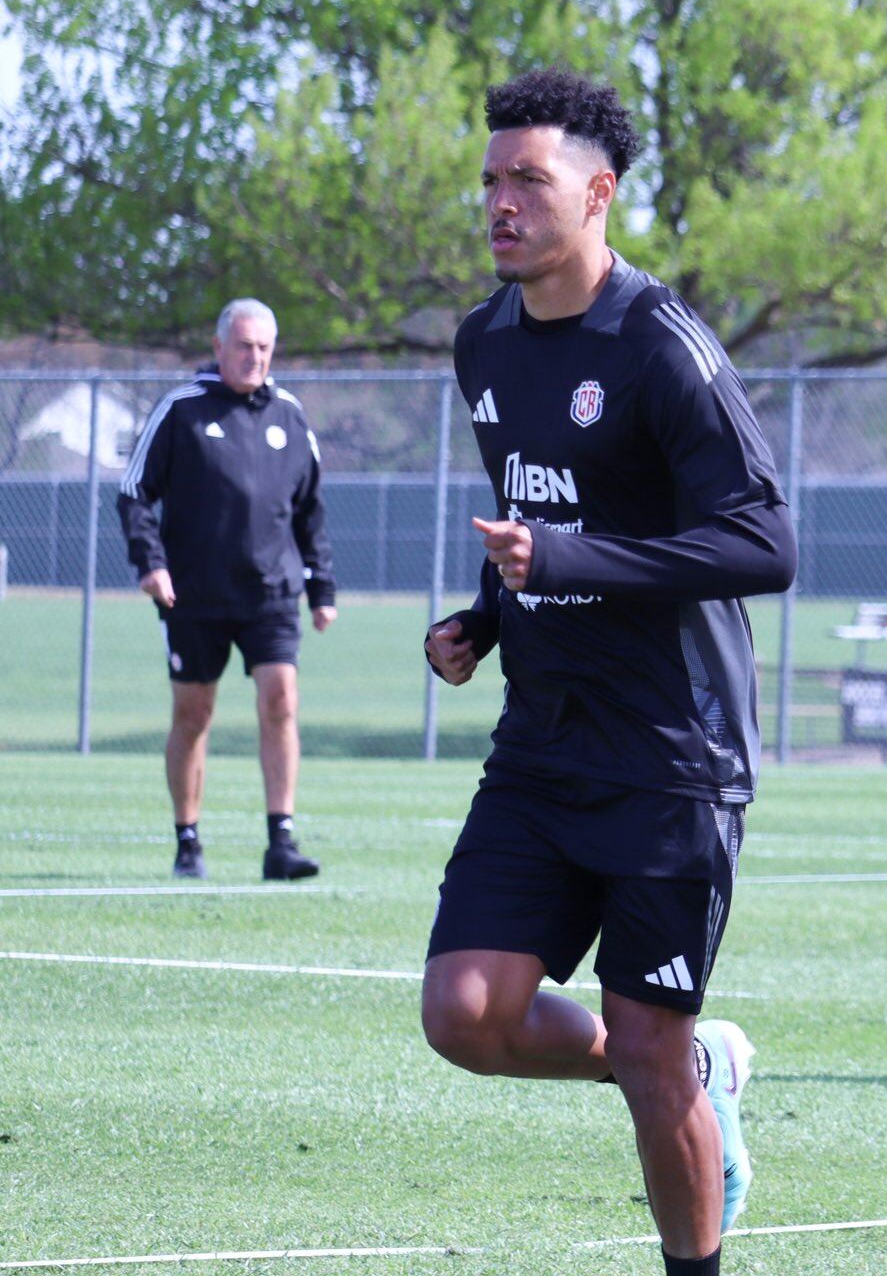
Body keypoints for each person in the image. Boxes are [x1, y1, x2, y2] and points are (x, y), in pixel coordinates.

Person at [418, 67, 796, 1276]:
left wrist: (570, 555)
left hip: (670, 758)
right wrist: (480, 617)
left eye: (526, 179)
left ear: (599, 194)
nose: (499, 203)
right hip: (543, 742)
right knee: (463, 1015)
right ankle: (692, 1059)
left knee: (642, 1048)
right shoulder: (482, 342)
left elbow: (766, 542)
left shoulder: (660, 345)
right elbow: (537, 515)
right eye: (489, 180)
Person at [117, 298, 335, 882]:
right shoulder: (182, 409)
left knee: (281, 701)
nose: (254, 357)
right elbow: (134, 491)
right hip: (193, 595)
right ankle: (188, 840)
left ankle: (280, 842)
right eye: (244, 346)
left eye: (264, 348)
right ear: (219, 348)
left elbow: (310, 509)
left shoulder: (289, 414)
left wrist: (322, 589)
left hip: (271, 593)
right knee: (194, 712)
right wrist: (151, 564)